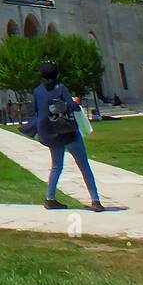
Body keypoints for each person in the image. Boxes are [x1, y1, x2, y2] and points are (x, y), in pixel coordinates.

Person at [33, 61, 103, 212]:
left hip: (52, 135)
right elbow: (72, 106)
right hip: (69, 133)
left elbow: (37, 109)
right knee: (84, 165)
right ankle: (95, 200)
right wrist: (75, 102)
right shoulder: (60, 88)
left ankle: (50, 198)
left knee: (56, 166)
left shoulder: (37, 91)